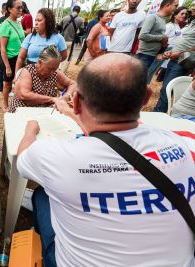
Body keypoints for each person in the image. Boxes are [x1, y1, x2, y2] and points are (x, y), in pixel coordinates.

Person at [17, 53, 195, 267]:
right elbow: (110, 129)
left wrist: (30, 131)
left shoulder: (55, 156)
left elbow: (22, 159)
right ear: (147, 97)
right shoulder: (182, 144)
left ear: (77, 102)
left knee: (41, 195)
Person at [8, 45, 75, 113]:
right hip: (22, 112)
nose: (52, 72)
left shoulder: (55, 73)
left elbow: (72, 84)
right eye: (50, 69)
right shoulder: (27, 72)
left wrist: (67, 95)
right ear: (40, 62)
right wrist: (52, 99)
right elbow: (24, 95)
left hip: (44, 112)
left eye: (55, 69)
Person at [154, 20, 195, 112]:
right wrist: (171, 51)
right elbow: (183, 41)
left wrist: (179, 53)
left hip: (182, 61)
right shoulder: (192, 22)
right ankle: (158, 112)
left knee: (167, 89)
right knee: (165, 88)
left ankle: (159, 113)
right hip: (174, 59)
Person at [15, 8, 67, 73]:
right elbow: (20, 58)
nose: (36, 23)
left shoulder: (59, 38)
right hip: (30, 73)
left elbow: (64, 56)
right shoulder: (30, 37)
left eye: (39, 20)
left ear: (48, 22)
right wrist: (17, 75)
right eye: (35, 20)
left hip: (49, 74)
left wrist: (51, 66)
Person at [136, 0, 178, 71]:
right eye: (175, 5)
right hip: (144, 55)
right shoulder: (153, 17)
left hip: (151, 56)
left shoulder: (162, 20)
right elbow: (142, 36)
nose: (176, 8)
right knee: (136, 79)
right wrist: (162, 37)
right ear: (167, 5)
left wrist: (161, 51)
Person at [151, 6, 188, 83]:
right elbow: (162, 39)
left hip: (172, 52)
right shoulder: (169, 26)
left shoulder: (178, 27)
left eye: (186, 14)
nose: (184, 15)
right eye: (182, 13)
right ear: (175, 15)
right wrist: (160, 53)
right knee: (151, 70)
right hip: (164, 50)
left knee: (156, 71)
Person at [0, 0, 24, 111]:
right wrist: (8, 66)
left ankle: (16, 102)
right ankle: (5, 104)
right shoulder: (5, 25)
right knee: (7, 84)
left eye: (21, 7)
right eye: (18, 7)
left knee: (19, 83)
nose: (20, 10)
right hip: (9, 59)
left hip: (20, 58)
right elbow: (3, 48)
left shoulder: (19, 23)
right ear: (9, 9)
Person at [59, 5, 85, 72]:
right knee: (68, 57)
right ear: (79, 11)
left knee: (59, 55)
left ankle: (58, 68)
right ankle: (62, 72)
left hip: (62, 40)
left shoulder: (65, 18)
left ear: (72, 10)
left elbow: (58, 28)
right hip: (71, 42)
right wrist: (76, 34)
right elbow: (82, 32)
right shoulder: (81, 20)